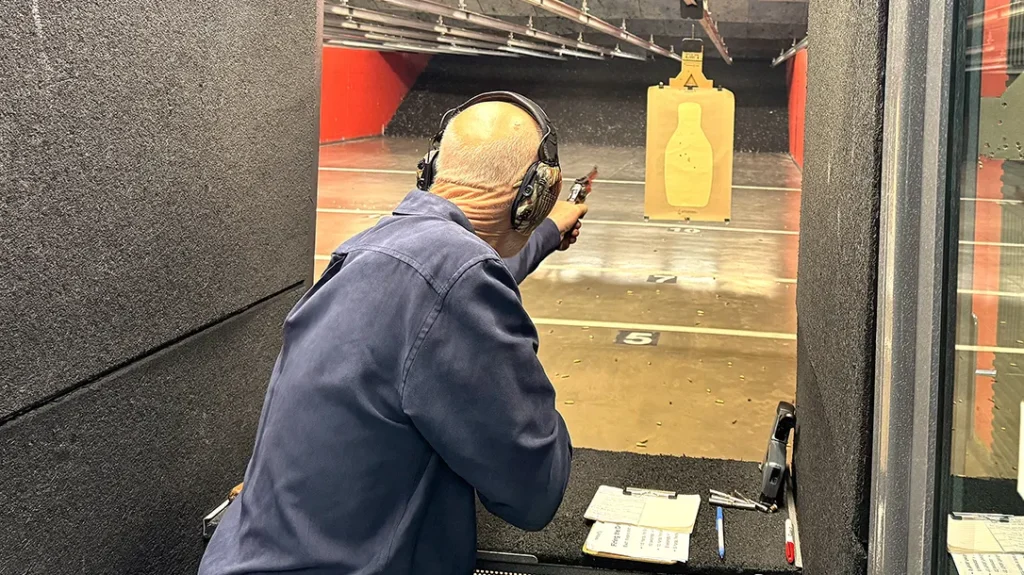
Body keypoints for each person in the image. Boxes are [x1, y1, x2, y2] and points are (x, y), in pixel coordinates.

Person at [199, 92, 586, 575]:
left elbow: (452, 280)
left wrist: (547, 233)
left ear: (431, 170)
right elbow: (535, 492)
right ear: (533, 197)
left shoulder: (370, 250)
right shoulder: (457, 279)